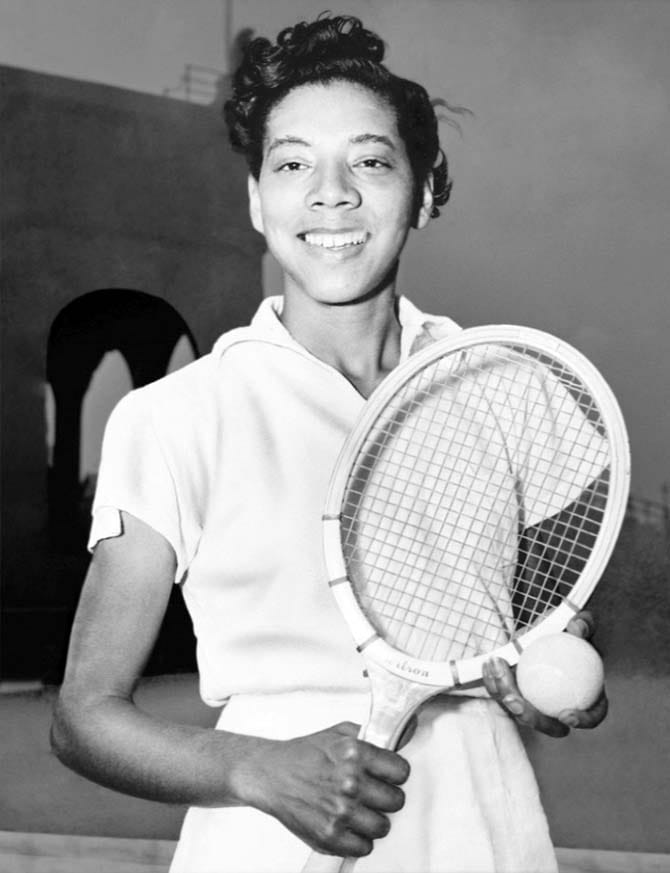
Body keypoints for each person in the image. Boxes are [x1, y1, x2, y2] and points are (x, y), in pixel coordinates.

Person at [51, 14, 608, 873]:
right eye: (292, 164)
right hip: (259, 836)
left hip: (485, 824)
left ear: (425, 191)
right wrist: (253, 767)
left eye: (371, 161)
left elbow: (561, 622)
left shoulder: (512, 387)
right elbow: (83, 716)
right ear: (255, 199)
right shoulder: (173, 417)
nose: (331, 193)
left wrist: (552, 677)